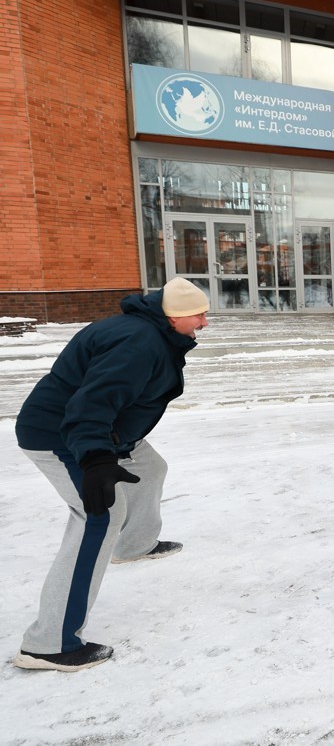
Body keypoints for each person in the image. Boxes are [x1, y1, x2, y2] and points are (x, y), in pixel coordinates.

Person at [13, 277, 209, 671]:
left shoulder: (150, 332)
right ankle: (49, 643)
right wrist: (97, 459)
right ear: (173, 315)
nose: (204, 322)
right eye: (198, 315)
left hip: (111, 434)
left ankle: (134, 544)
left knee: (151, 468)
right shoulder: (138, 342)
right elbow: (91, 404)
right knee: (98, 517)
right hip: (64, 435)